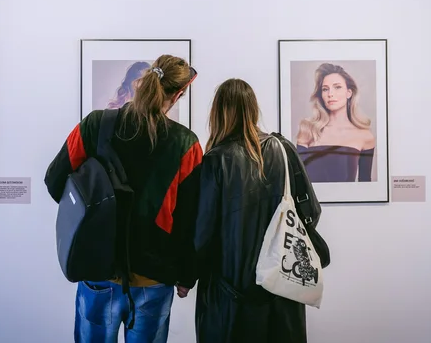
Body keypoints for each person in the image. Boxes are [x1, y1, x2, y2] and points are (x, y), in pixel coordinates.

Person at [44, 54, 203, 343]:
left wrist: (89, 222)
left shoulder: (95, 124)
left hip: (97, 271)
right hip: (153, 278)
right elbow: (190, 219)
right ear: (178, 94)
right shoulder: (186, 144)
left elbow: (55, 181)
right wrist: (187, 275)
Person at [194, 78, 323, 343]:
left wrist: (187, 275)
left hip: (231, 291)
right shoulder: (284, 149)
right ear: (253, 109)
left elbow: (203, 232)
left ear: (218, 112)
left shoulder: (216, 160)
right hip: (283, 284)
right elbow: (311, 210)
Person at [295, 62, 375, 182]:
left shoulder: (365, 136)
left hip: (347, 195)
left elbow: (366, 184)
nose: (330, 94)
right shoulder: (308, 130)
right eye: (325, 89)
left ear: (349, 93)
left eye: (337, 87)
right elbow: (297, 180)